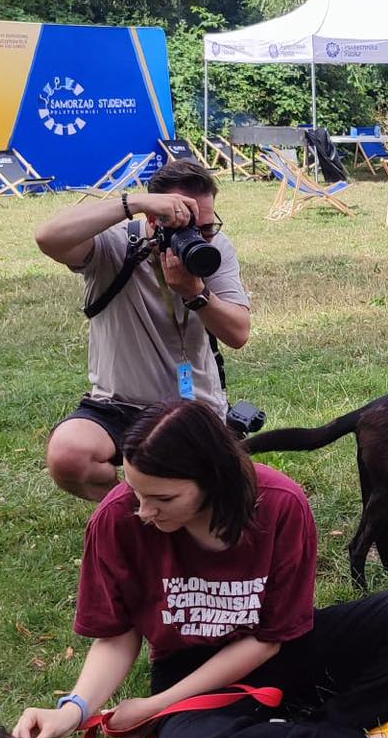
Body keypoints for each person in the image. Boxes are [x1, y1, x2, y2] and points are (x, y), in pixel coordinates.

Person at [12, 400, 388, 738]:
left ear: (213, 480)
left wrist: (156, 707)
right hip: (187, 668)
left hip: (279, 648)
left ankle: (319, 731)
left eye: (162, 498)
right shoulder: (117, 518)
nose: (143, 511)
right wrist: (73, 710)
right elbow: (117, 636)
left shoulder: (280, 503)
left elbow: (268, 642)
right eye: (136, 491)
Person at [37, 159, 252, 502]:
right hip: (120, 404)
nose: (198, 236)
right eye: (184, 224)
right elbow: (47, 238)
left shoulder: (213, 249)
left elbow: (238, 333)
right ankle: (138, 511)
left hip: (195, 404)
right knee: (69, 456)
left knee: (226, 501)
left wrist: (196, 293)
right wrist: (133, 203)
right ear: (154, 219)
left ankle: (162, 502)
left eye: (207, 226)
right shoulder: (114, 247)